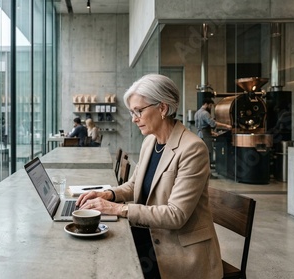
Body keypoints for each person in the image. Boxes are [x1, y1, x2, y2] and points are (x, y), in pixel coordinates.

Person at [76, 74, 223, 279]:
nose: (134, 118)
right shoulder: (150, 142)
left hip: (179, 252)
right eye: (132, 112)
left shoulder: (193, 149)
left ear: (162, 108)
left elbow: (176, 215)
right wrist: (108, 195)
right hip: (149, 235)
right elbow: (135, 184)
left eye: (138, 111)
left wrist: (119, 209)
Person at [194, 98, 231, 177]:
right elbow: (213, 124)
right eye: (210, 105)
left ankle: (202, 173)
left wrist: (212, 132)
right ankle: (208, 174)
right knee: (208, 155)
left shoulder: (197, 113)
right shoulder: (205, 113)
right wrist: (226, 126)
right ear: (206, 104)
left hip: (199, 135)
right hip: (205, 137)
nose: (211, 107)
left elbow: (201, 127)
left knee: (202, 155)